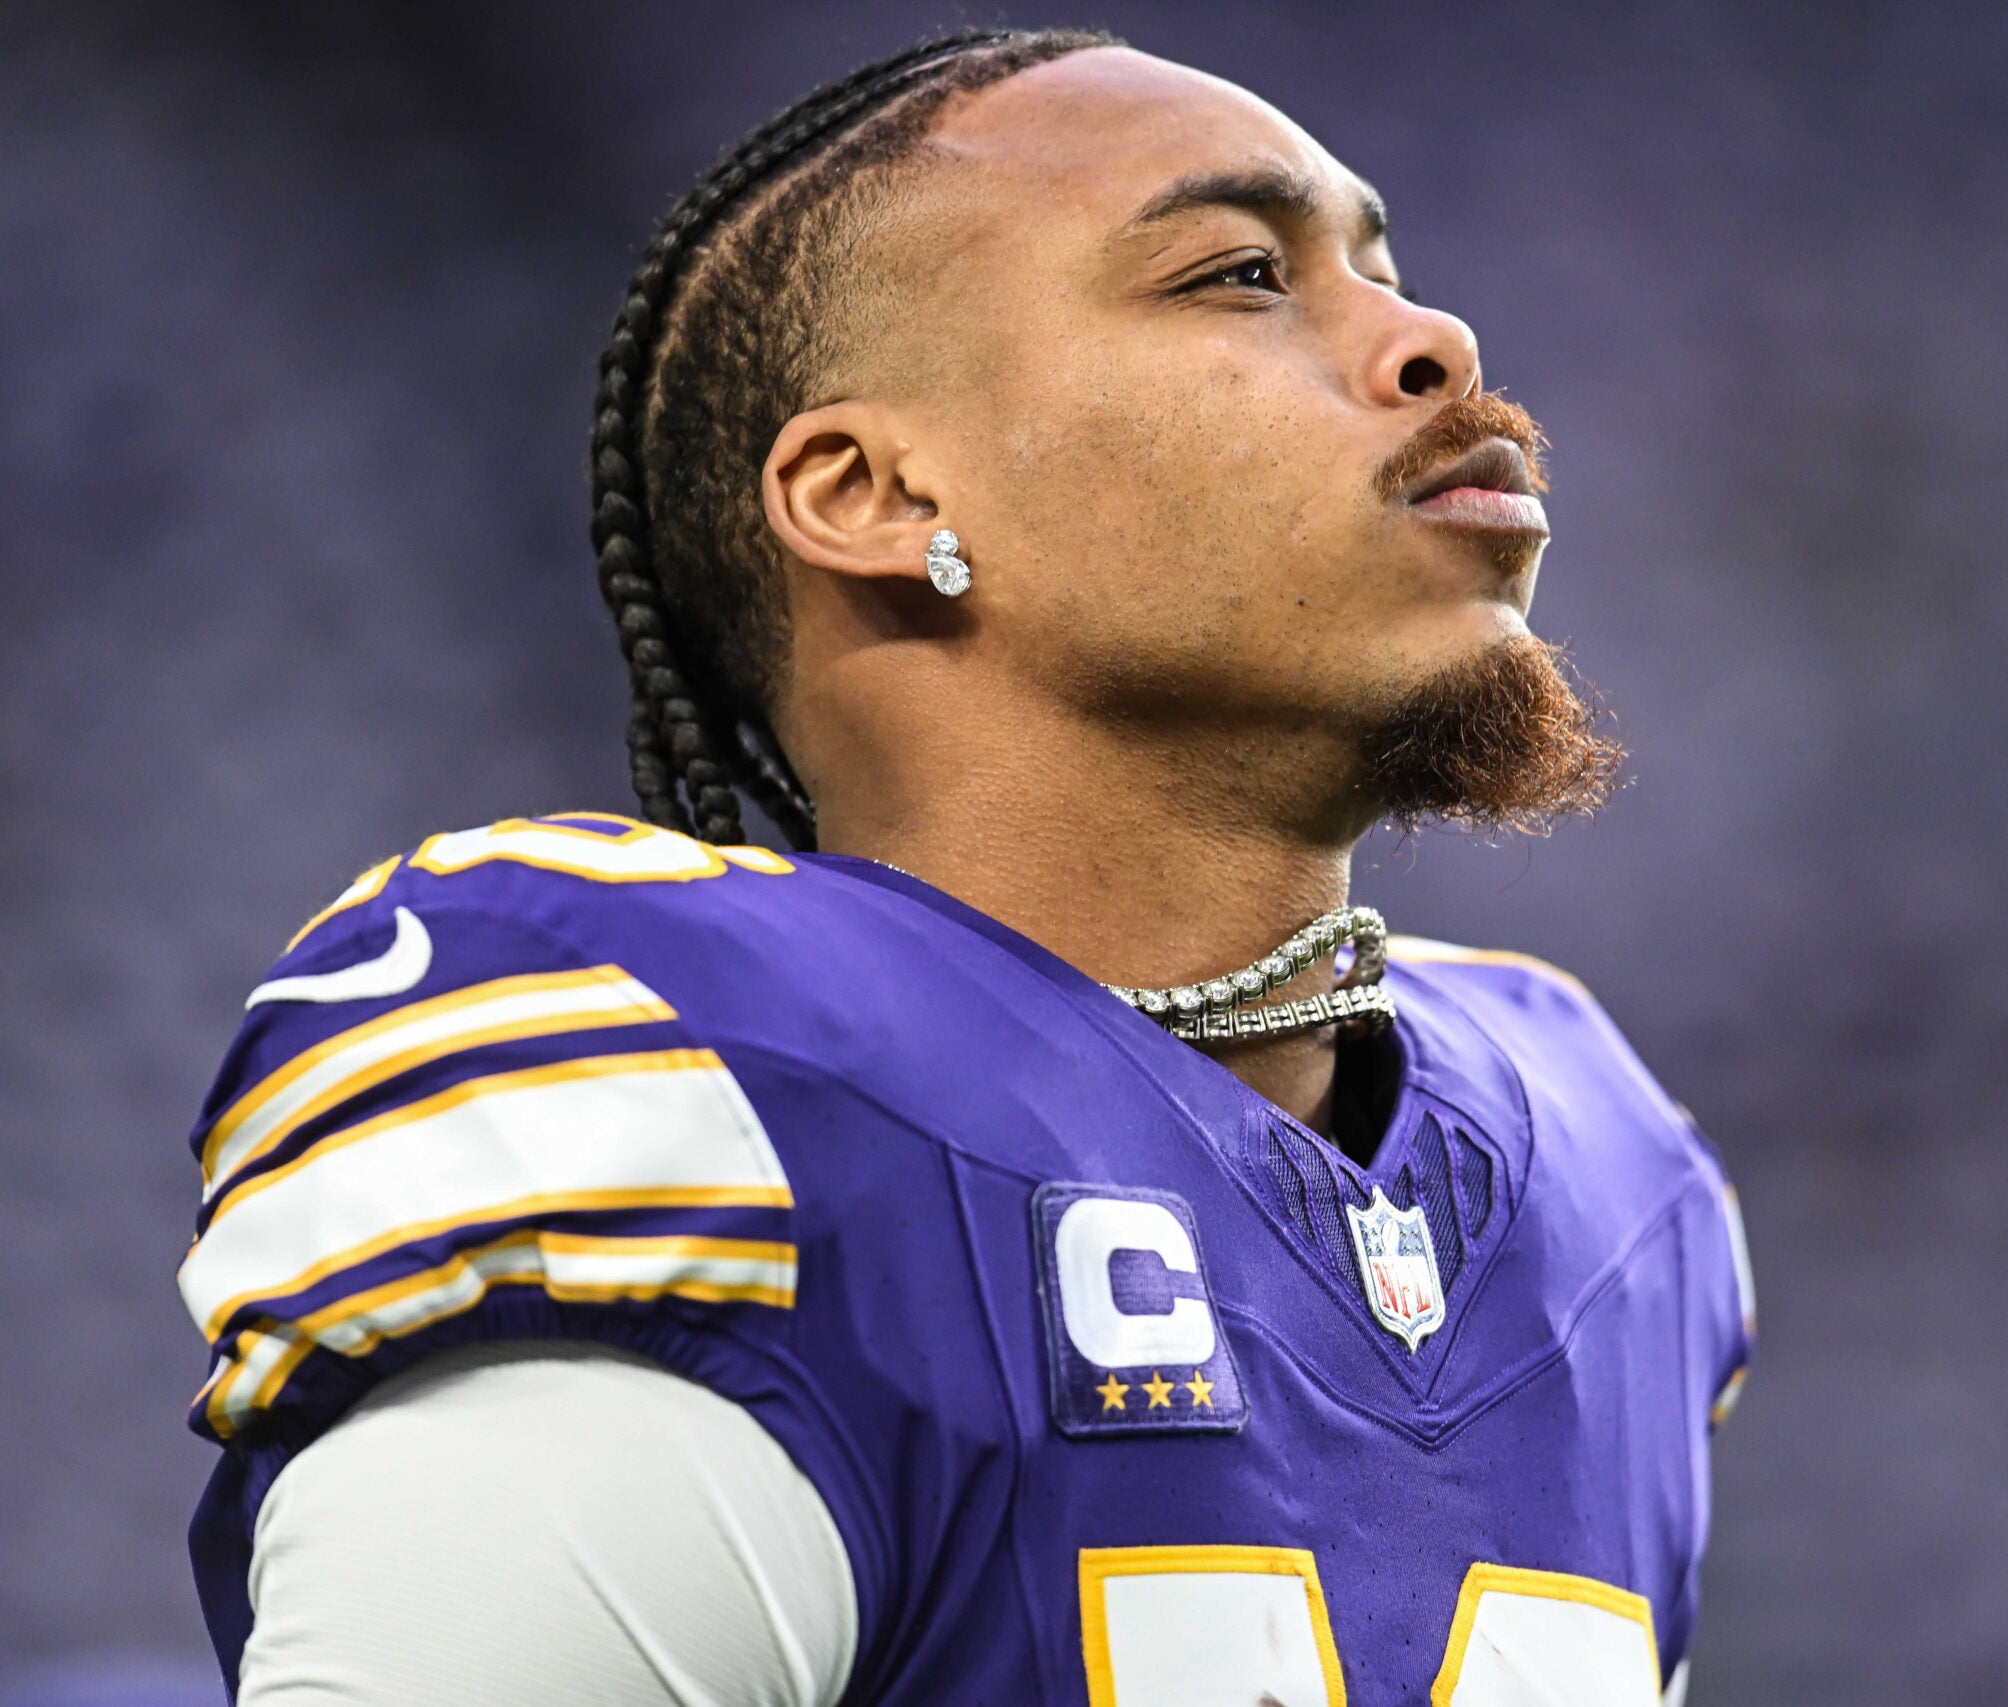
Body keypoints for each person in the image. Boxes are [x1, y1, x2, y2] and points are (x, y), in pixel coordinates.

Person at [176, 29, 1754, 1705]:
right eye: (1238, 275)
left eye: (1384, 269)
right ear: (873, 493)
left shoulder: (1609, 1178)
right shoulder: (713, 1093)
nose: (1434, 340)